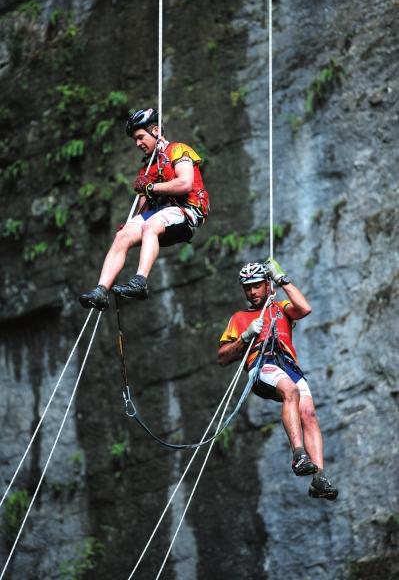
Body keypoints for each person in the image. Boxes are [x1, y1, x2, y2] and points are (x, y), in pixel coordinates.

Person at [218, 258, 338, 500]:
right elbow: (222, 357)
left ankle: (319, 479)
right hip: (262, 363)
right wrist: (244, 336)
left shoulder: (281, 308)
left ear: (266, 285)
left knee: (309, 414)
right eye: (247, 287)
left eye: (256, 285)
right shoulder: (239, 317)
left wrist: (282, 278)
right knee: (290, 391)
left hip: (288, 364)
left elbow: (304, 309)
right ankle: (298, 455)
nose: (252, 292)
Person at [79, 108, 209, 310]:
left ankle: (140, 281)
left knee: (150, 226)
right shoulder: (147, 167)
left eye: (140, 137)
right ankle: (101, 291)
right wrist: (133, 223)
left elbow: (185, 183)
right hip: (162, 215)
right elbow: (145, 202)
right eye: (135, 140)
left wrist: (150, 187)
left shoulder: (178, 150)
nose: (138, 144)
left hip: (187, 211)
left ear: (156, 130)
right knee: (122, 235)